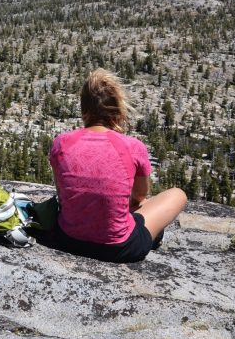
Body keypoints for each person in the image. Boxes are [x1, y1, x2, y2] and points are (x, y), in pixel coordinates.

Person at [49, 68, 187, 263]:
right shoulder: (132, 147)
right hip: (119, 248)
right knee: (177, 195)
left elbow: (62, 195)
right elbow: (139, 197)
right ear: (117, 111)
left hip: (67, 240)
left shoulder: (61, 143)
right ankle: (149, 236)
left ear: (84, 109)